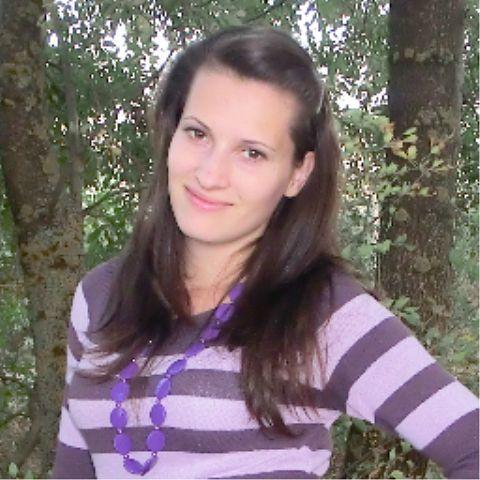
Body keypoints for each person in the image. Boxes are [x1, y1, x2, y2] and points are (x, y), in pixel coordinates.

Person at [51, 26, 479, 479]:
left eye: (251, 153)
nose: (210, 174)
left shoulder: (325, 314)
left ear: (298, 173)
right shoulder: (100, 296)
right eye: (197, 133)